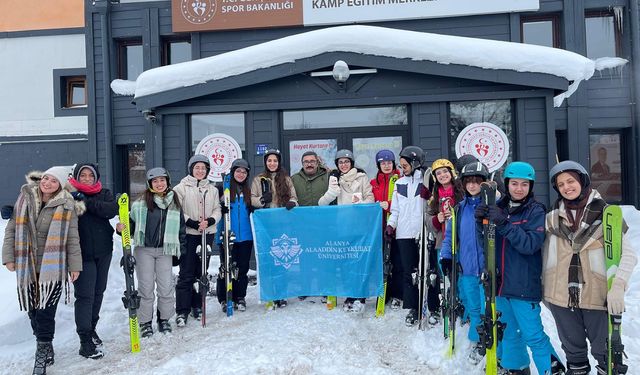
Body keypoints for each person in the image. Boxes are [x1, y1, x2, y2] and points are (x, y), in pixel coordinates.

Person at [544, 160, 637, 374]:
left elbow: (628, 255)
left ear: (582, 181)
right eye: (561, 184)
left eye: (571, 181)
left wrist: (618, 286)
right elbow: (546, 255)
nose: (567, 187)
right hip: (561, 297)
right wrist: (545, 291)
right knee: (573, 354)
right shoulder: (552, 218)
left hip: (597, 296)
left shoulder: (606, 215)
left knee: (606, 353)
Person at [475, 161, 563, 375]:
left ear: (531, 186)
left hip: (523, 285)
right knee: (509, 332)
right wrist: (481, 224)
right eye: (514, 183)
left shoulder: (535, 211)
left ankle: (552, 371)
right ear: (506, 184)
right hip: (501, 284)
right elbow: (487, 246)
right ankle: (517, 368)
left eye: (525, 184)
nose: (519, 188)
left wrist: (504, 223)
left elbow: (530, 244)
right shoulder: (499, 208)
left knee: (533, 335)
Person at [2, 166, 82, 375]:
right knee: (33, 311)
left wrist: (75, 266)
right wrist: (8, 258)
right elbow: (11, 229)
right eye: (46, 178)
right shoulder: (24, 198)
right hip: (27, 266)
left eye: (54, 181)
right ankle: (46, 344)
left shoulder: (66, 204)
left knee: (46, 312)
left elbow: (72, 238)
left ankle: (41, 353)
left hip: (53, 269)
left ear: (60, 186)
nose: (47, 183)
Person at [117, 167, 186, 338]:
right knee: (146, 288)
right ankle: (145, 322)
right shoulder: (140, 203)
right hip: (144, 250)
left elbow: (181, 230)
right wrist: (121, 228)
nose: (159, 184)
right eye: (155, 181)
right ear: (149, 184)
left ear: (167, 182)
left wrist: (180, 252)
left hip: (165, 250)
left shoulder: (174, 202)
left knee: (166, 288)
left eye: (162, 180)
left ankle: (163, 320)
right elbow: (131, 226)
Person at [67, 163, 118, 359]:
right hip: (81, 254)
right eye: (83, 175)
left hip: (104, 251)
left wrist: (86, 202)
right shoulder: (68, 195)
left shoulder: (103, 193)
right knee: (85, 296)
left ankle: (92, 328)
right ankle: (84, 341)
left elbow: (111, 210)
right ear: (77, 177)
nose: (87, 178)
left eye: (91, 175)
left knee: (98, 292)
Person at [439, 161, 488, 363]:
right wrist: (446, 257)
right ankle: (477, 342)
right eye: (469, 182)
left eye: (477, 182)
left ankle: (495, 345)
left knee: (490, 309)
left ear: (484, 183)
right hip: (467, 268)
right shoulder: (459, 209)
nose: (472, 186)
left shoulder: (492, 206)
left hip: (488, 269)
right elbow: (450, 235)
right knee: (474, 307)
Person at [319, 149, 375, 312]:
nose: (344, 165)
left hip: (359, 226)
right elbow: (322, 203)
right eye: (340, 162)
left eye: (346, 161)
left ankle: (361, 295)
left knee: (359, 261)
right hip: (342, 227)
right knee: (345, 262)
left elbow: (370, 198)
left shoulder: (362, 177)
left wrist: (359, 204)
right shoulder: (334, 179)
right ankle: (350, 294)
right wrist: (331, 193)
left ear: (351, 163)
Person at [173, 155, 221, 326]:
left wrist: (210, 221)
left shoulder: (212, 190)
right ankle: (182, 310)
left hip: (206, 234)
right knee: (186, 272)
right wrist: (191, 222)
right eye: (197, 167)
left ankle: (196, 305)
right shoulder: (181, 188)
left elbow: (217, 209)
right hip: (189, 234)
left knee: (201, 272)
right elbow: (176, 209)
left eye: (203, 168)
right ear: (191, 169)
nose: (200, 171)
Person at [385, 146, 431, 324]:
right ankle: (412, 307)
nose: (402, 168)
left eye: (405, 165)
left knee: (427, 271)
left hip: (423, 232)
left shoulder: (427, 180)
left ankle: (430, 305)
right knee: (408, 271)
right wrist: (391, 226)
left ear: (415, 162)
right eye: (401, 165)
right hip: (404, 233)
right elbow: (395, 209)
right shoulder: (399, 183)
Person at [251, 149, 298, 308]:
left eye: (275, 161)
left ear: (279, 162)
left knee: (282, 259)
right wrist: (261, 200)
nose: (272, 163)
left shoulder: (286, 179)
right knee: (269, 259)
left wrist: (292, 202)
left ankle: (282, 293)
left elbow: (294, 197)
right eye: (269, 160)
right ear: (266, 162)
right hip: (266, 225)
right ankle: (270, 293)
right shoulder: (258, 179)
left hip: (282, 224)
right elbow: (252, 199)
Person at [425, 158, 464, 326]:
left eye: (445, 171)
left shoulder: (462, 192)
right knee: (447, 277)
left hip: (462, 242)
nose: (442, 175)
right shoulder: (433, 198)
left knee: (462, 276)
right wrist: (437, 218)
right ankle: (449, 305)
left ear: (451, 173)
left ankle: (464, 308)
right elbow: (428, 222)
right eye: (438, 173)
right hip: (443, 242)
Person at [216, 159, 254, 312]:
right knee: (226, 268)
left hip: (245, 236)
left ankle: (240, 296)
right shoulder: (222, 190)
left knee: (242, 269)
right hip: (227, 235)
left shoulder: (248, 192)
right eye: (238, 171)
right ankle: (225, 298)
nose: (241, 174)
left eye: (244, 172)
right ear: (233, 173)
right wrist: (220, 207)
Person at [370, 149, 403, 310]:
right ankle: (385, 292)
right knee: (383, 263)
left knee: (397, 262)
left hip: (398, 228)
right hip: (380, 228)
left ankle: (398, 294)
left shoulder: (400, 179)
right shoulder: (374, 183)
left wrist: (388, 205)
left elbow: (403, 201)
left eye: (389, 162)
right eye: (383, 163)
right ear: (378, 165)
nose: (387, 166)